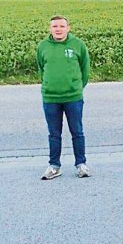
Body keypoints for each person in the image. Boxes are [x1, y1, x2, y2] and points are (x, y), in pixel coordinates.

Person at [36, 15, 91, 180]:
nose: (58, 29)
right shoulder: (43, 46)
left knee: (77, 132)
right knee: (54, 133)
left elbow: (85, 70)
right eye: (55, 26)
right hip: (50, 98)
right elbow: (41, 69)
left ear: (68, 28)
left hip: (73, 97)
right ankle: (54, 166)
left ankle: (81, 164)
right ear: (50, 28)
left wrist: (76, 87)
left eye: (61, 26)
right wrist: (48, 86)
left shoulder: (78, 45)